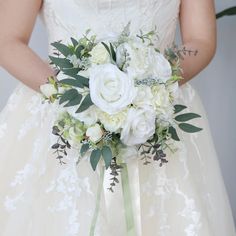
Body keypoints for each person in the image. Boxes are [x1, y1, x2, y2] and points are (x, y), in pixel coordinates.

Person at [0, 0, 235, 235]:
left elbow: (200, 41)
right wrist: (77, 96)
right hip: (61, 113)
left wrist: (150, 85)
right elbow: (8, 39)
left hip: (155, 112)